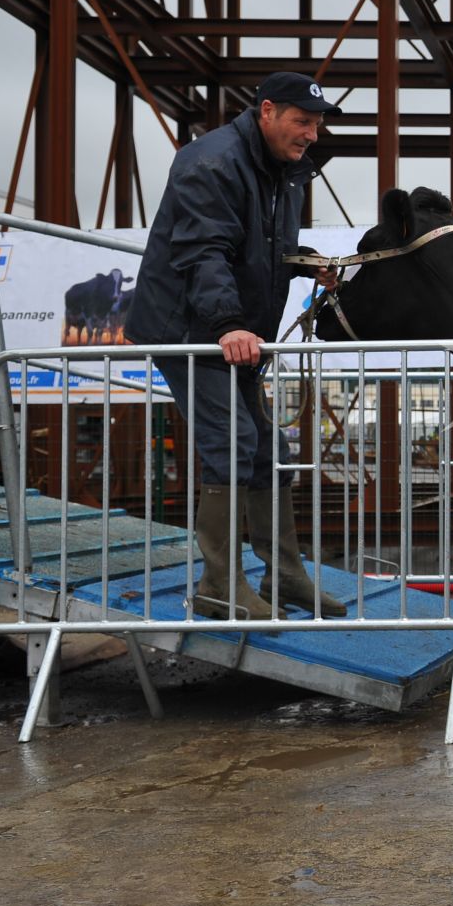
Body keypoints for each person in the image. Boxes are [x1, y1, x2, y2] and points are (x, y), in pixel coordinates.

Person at [126, 71, 346, 620]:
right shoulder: (212, 161)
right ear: (267, 111)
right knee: (232, 441)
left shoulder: (282, 168)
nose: (312, 135)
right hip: (192, 331)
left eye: (317, 124)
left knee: (270, 452)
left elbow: (264, 244)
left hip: (236, 335)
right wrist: (228, 323)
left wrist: (305, 261)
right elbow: (204, 250)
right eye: (303, 121)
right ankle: (220, 586)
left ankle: (285, 576)